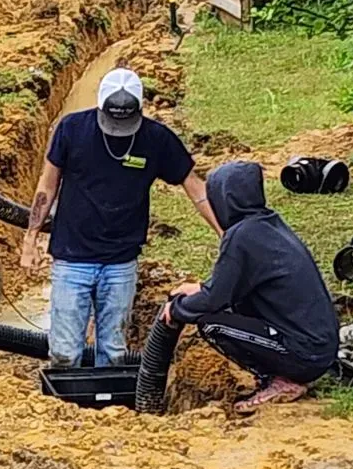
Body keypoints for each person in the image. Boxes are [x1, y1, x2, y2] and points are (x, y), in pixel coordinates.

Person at [19, 68, 219, 367]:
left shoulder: (157, 140)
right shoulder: (71, 130)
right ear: (100, 106)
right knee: (63, 352)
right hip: (73, 258)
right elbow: (46, 187)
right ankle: (63, 408)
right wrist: (30, 240)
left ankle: (109, 410)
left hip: (121, 262)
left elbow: (196, 189)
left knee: (113, 352)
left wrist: (224, 232)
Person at [163, 160, 339, 411]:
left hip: (304, 354)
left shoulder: (242, 237)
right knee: (230, 309)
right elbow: (230, 283)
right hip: (317, 348)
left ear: (224, 198)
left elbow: (214, 301)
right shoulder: (265, 224)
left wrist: (178, 308)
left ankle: (280, 380)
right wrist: (200, 288)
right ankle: (284, 373)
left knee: (212, 324)